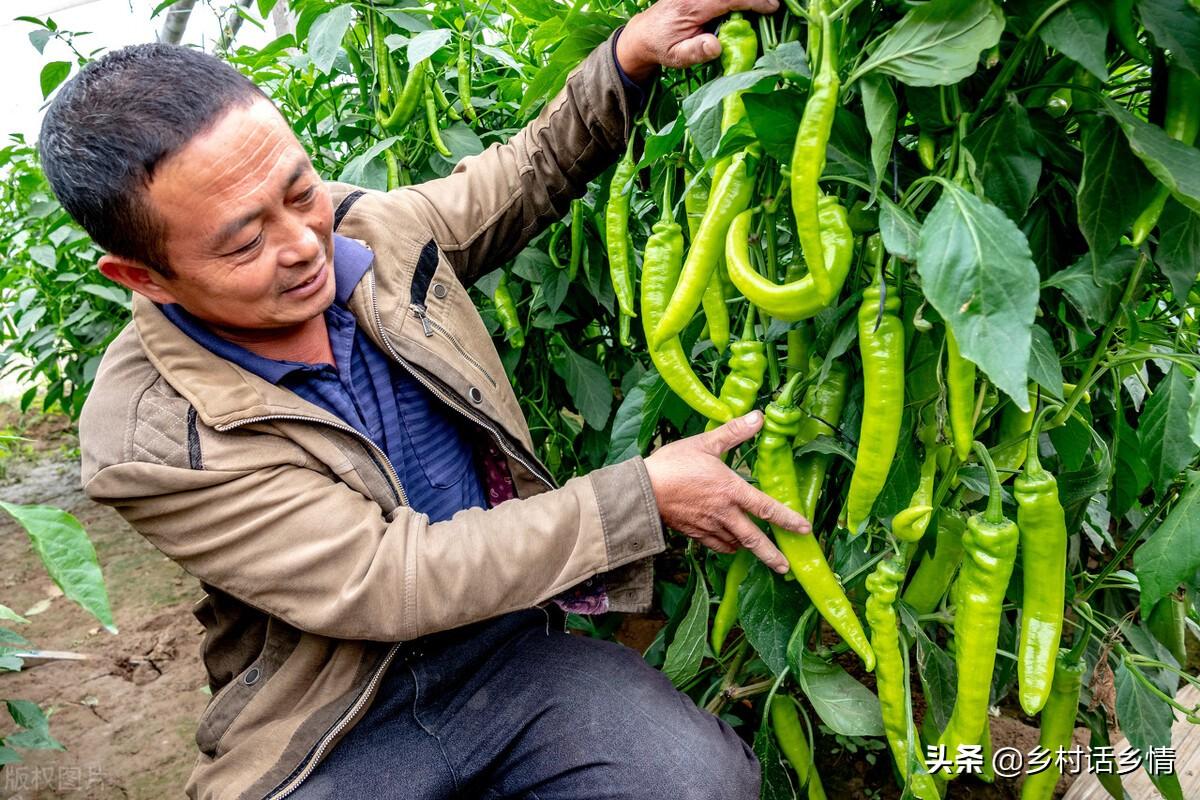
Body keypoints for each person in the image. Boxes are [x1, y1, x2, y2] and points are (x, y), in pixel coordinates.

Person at [39, 0, 806, 796]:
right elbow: (386, 578)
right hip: (333, 709)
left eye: (299, 191)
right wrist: (637, 498)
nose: (304, 245)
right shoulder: (150, 439)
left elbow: (517, 177)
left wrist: (625, 60)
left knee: (696, 782)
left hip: (508, 646)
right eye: (243, 242)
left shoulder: (366, 236)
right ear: (143, 275)